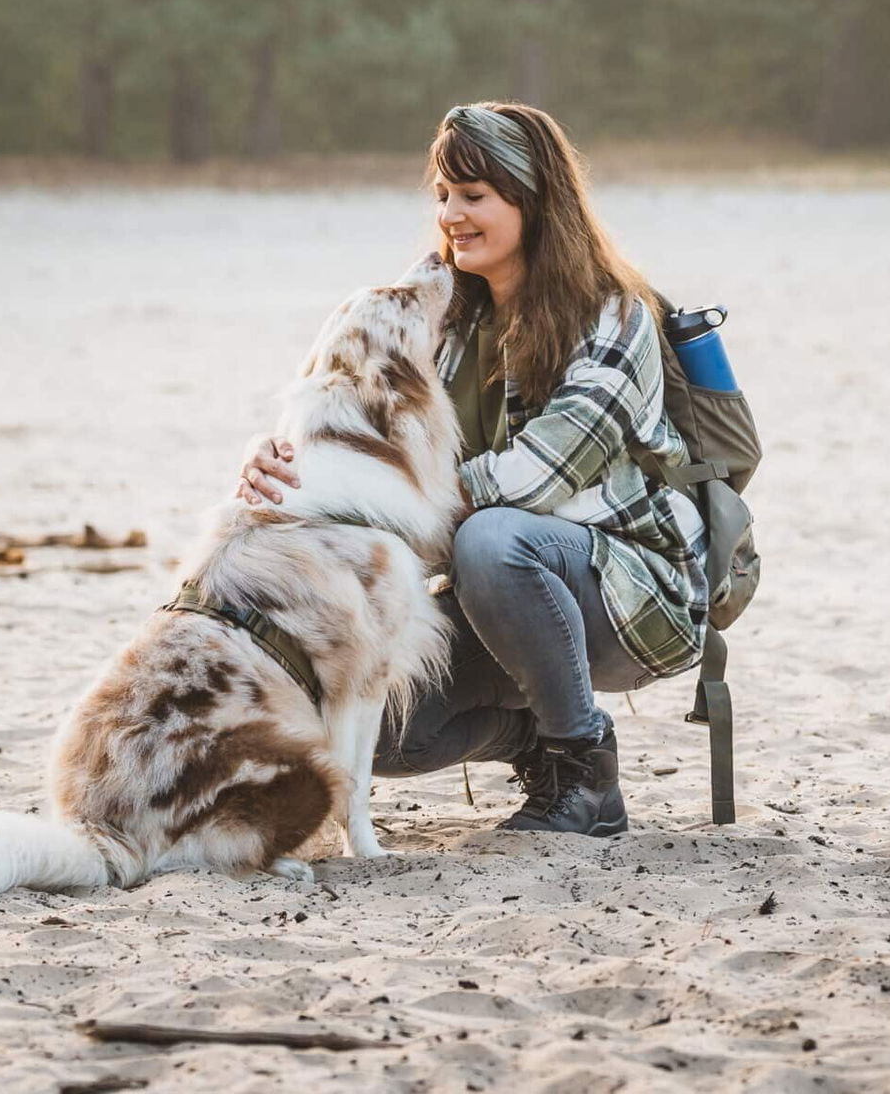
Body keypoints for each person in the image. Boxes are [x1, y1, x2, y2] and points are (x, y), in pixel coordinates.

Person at [236, 102, 706, 837]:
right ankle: (537, 743)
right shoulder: (442, 316)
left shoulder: (614, 316)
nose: (450, 216)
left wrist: (373, 496)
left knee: (493, 537)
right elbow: (340, 411)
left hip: (629, 592)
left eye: (474, 195)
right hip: (491, 596)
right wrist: (278, 461)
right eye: (443, 195)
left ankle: (584, 771)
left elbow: (539, 477)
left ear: (534, 200)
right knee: (373, 725)